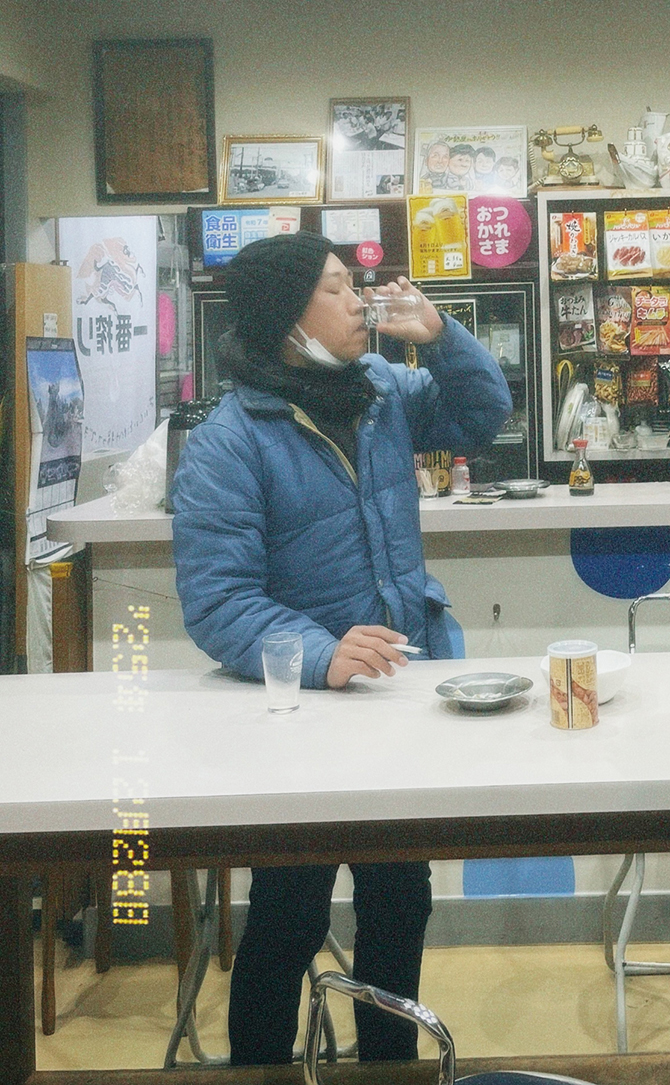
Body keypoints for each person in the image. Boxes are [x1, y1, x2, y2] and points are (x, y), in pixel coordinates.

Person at [171, 231, 511, 1065]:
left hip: (395, 692)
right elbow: (217, 600)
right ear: (287, 315)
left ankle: (388, 1069)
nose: (360, 301)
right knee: (289, 913)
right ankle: (259, 1071)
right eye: (337, 288)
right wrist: (322, 654)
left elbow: (481, 416)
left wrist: (445, 338)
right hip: (300, 713)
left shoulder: (383, 389)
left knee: (400, 901)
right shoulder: (230, 439)